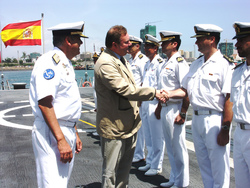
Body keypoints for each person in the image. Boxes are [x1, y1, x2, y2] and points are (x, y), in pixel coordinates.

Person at [94, 25, 167, 188]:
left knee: (123, 172)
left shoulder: (121, 59)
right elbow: (125, 89)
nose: (130, 45)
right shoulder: (106, 63)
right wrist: (154, 92)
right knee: (110, 174)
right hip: (114, 127)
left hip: (127, 125)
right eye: (126, 42)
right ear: (114, 45)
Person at [163, 24, 234, 188]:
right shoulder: (195, 64)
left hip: (214, 119)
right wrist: (166, 93)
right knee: (204, 167)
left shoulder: (224, 64)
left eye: (200, 39)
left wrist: (225, 129)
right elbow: (184, 90)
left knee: (219, 168)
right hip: (197, 119)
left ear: (212, 39)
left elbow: (229, 99)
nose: (197, 43)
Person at [29, 21, 86, 187]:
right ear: (68, 40)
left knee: (61, 183)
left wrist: (73, 132)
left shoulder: (64, 62)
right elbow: (45, 103)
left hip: (63, 129)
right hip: (52, 131)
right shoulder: (50, 62)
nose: (81, 43)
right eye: (78, 39)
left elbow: (65, 102)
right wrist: (60, 139)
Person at [155, 31, 190, 188]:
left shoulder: (179, 62)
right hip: (165, 107)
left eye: (165, 42)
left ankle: (182, 183)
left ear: (174, 44)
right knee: (170, 147)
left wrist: (183, 112)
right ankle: (174, 178)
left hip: (175, 108)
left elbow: (186, 89)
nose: (161, 45)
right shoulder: (165, 63)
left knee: (178, 147)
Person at [138, 34, 165, 176]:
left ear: (155, 48)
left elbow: (162, 87)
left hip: (155, 103)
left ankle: (157, 165)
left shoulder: (160, 63)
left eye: (148, 47)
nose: (146, 49)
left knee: (157, 137)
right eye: (145, 47)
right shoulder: (147, 64)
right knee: (148, 135)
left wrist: (160, 107)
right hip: (145, 103)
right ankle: (150, 162)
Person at [231, 21, 250, 188]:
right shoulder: (238, 71)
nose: (237, 45)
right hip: (239, 133)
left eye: (242, 39)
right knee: (241, 182)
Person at [128, 35, 149, 163]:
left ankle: (140, 153)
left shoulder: (142, 60)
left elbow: (143, 80)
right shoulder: (131, 60)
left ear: (137, 46)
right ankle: (136, 151)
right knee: (133, 126)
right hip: (131, 97)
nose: (128, 47)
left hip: (138, 99)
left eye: (131, 45)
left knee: (140, 128)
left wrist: (140, 98)